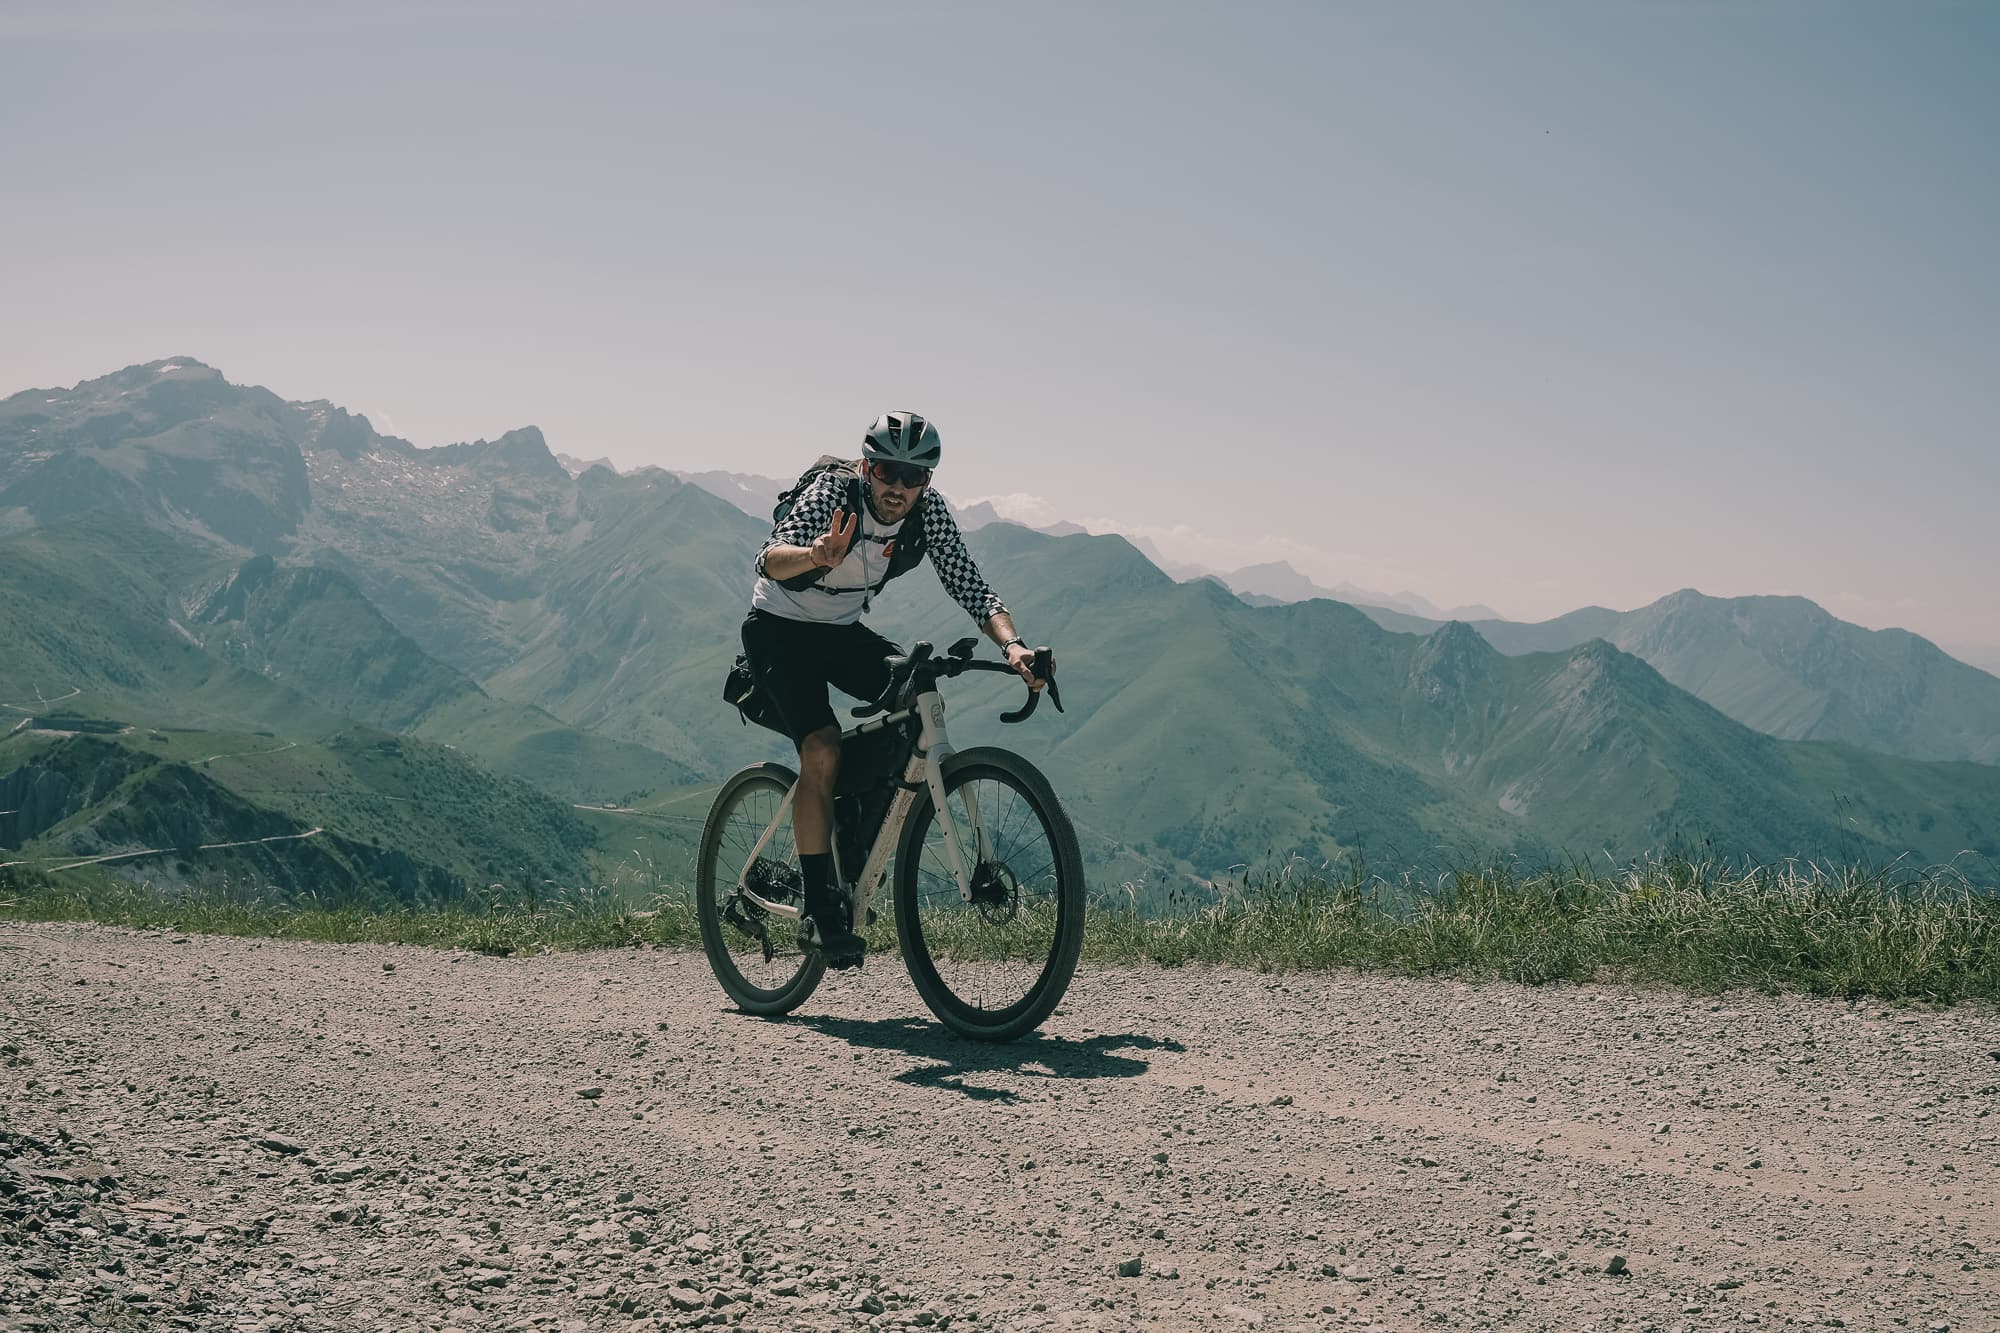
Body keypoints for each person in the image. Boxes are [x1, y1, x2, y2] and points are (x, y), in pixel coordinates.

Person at [741, 411, 1045, 966]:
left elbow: (971, 586)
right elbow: (768, 557)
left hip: (839, 631)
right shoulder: (833, 494)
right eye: (887, 471)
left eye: (915, 476)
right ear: (866, 466)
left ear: (927, 481)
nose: (899, 487)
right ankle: (819, 908)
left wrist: (1013, 646)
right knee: (822, 747)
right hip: (779, 630)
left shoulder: (926, 513)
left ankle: (854, 831)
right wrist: (816, 556)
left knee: (914, 700)